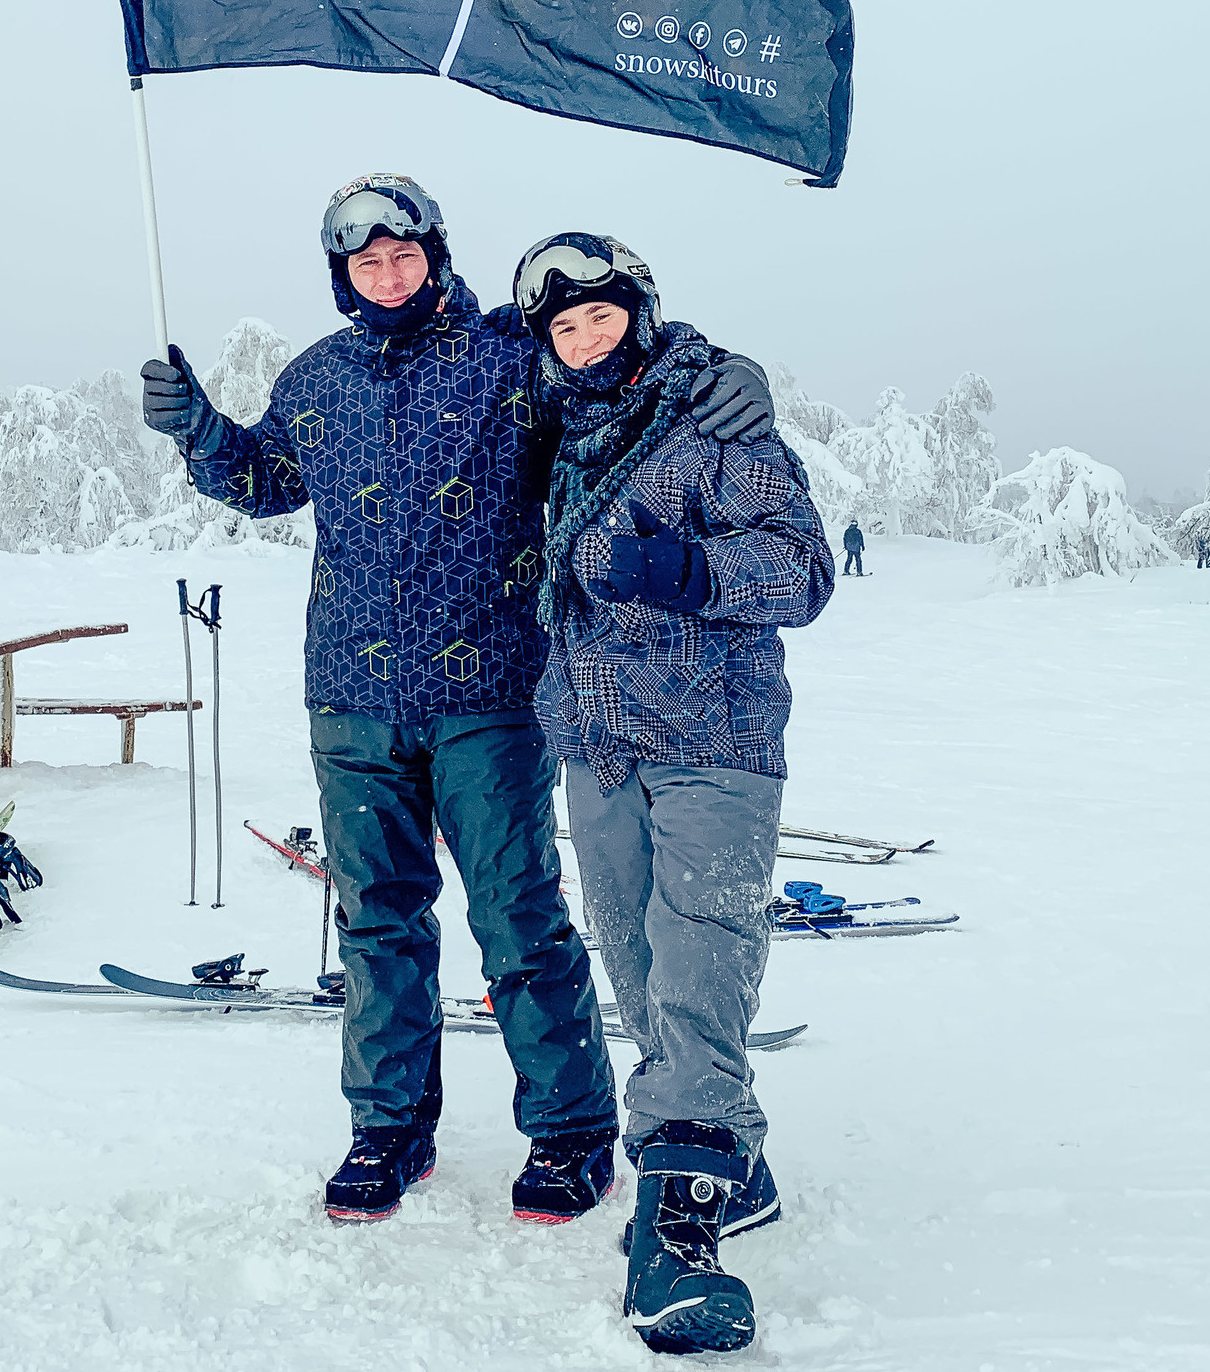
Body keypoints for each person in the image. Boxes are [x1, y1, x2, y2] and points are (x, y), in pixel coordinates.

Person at [137, 175, 780, 1226]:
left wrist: (725, 370)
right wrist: (198, 428)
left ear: (434, 255)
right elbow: (264, 481)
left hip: (488, 690)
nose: (387, 276)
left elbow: (615, 368)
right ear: (343, 275)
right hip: (350, 696)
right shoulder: (317, 376)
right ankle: (387, 1130)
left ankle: (571, 1135)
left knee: (518, 918)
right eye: (364, 263)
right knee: (377, 924)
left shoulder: (505, 360)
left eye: (403, 256)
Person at [514, 230, 833, 1357]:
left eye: (600, 318)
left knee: (699, 959)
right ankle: (727, 1165)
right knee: (640, 966)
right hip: (598, 747)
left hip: (713, 737)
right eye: (564, 327)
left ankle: (679, 1234)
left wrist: (691, 571)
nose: (585, 340)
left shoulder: (714, 419)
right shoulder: (554, 430)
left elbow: (803, 569)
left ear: (639, 315)